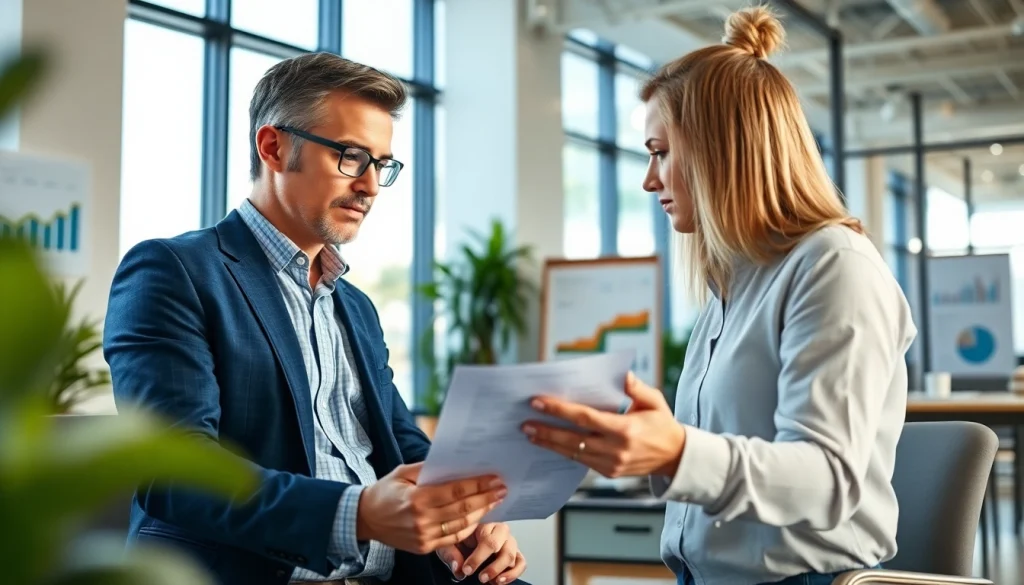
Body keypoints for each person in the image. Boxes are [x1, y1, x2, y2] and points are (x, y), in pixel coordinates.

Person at [520, 6, 916, 585]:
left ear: (719, 150)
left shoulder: (835, 267)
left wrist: (677, 452)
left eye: (660, 152)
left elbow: (828, 479)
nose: (648, 179)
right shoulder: (730, 285)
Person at [104, 52, 527, 585]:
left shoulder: (354, 306)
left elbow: (401, 443)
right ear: (274, 147)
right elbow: (173, 471)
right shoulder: (175, 270)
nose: (371, 185)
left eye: (381, 165)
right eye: (351, 157)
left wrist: (465, 516)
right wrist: (362, 514)